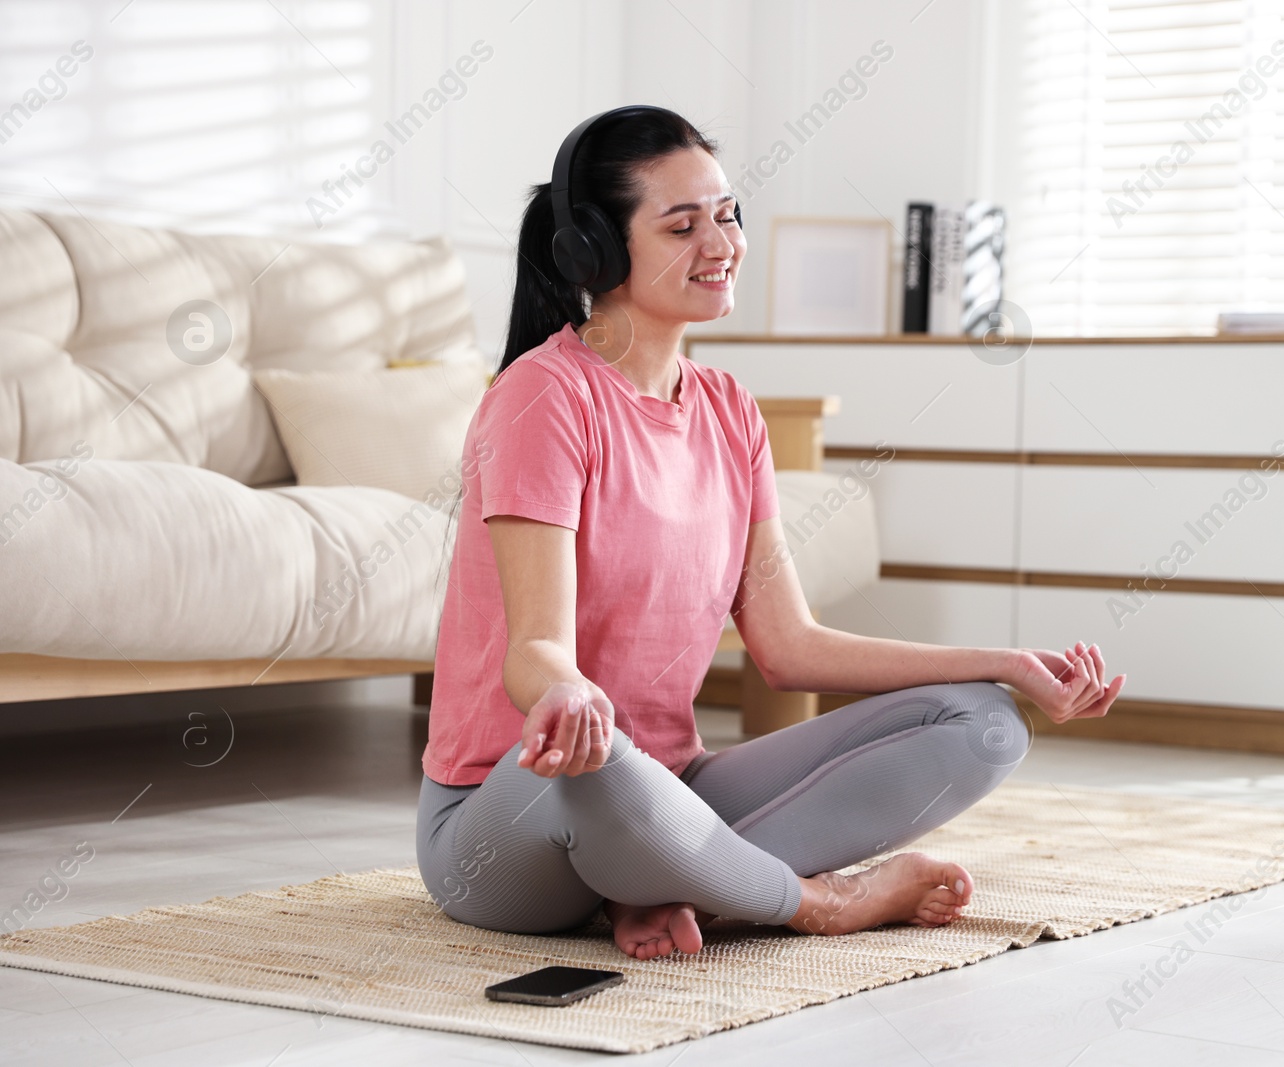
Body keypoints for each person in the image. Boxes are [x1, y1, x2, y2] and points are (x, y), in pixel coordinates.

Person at [416, 105, 1126, 961]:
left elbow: (789, 645)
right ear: (595, 251)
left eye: (727, 215)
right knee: (598, 762)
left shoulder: (729, 411)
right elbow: (534, 650)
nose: (721, 243)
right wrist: (566, 693)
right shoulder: (544, 398)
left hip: (669, 796)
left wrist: (1003, 662)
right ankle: (815, 904)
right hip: (507, 823)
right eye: (683, 225)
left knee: (983, 723)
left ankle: (674, 884)